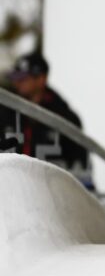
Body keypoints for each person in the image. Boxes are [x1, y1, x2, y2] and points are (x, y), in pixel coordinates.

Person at [1, 52, 93, 189]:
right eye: (15, 78)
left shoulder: (65, 118)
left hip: (51, 194)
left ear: (41, 79)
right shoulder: (5, 110)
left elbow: (80, 166)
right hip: (9, 191)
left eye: (23, 78)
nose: (16, 83)